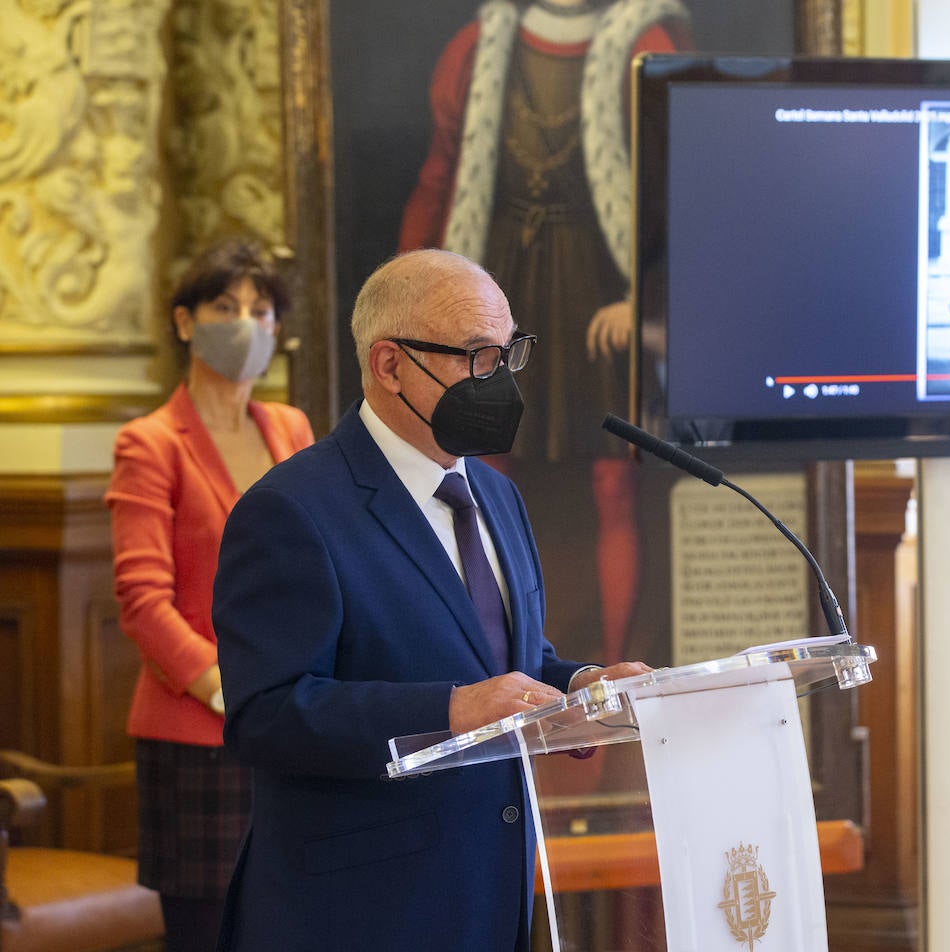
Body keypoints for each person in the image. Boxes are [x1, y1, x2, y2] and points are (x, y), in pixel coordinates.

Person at [212, 249, 651, 951]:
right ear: (390, 365)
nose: (500, 380)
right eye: (477, 356)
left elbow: (506, 657)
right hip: (359, 912)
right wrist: (448, 711)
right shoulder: (292, 510)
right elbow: (266, 715)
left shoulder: (497, 494)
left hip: (490, 892)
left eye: (509, 353)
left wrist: (582, 687)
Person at [399, 0, 693, 665]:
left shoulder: (643, 42)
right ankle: (495, 658)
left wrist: (644, 301)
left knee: (614, 483)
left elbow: (676, 188)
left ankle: (616, 666)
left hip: (599, 292)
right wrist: (409, 304)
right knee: (481, 472)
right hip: (497, 283)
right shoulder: (475, 49)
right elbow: (440, 178)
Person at [103, 239, 314, 952]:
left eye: (262, 310)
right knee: (209, 933)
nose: (247, 324)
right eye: (226, 307)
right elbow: (142, 601)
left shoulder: (290, 427)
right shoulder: (150, 442)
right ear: (185, 321)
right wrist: (226, 686)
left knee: (292, 924)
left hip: (296, 720)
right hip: (199, 734)